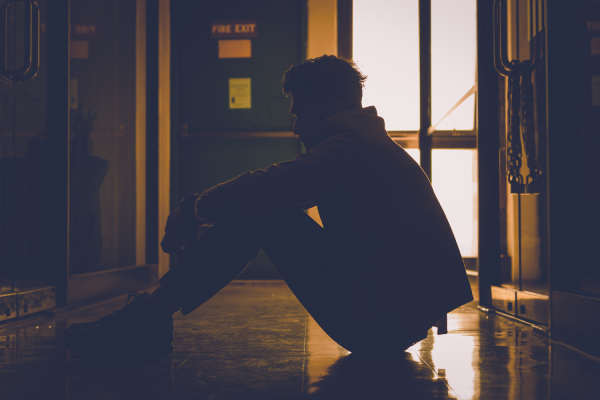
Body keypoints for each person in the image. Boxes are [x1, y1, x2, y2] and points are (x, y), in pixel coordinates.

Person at [63, 55, 473, 362]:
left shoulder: (350, 148)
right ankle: (150, 317)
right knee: (263, 206)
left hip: (380, 322)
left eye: (300, 114)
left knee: (263, 210)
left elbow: (276, 185)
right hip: (394, 314)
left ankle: (146, 320)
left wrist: (193, 211)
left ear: (330, 107)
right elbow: (287, 186)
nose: (296, 128)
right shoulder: (365, 144)